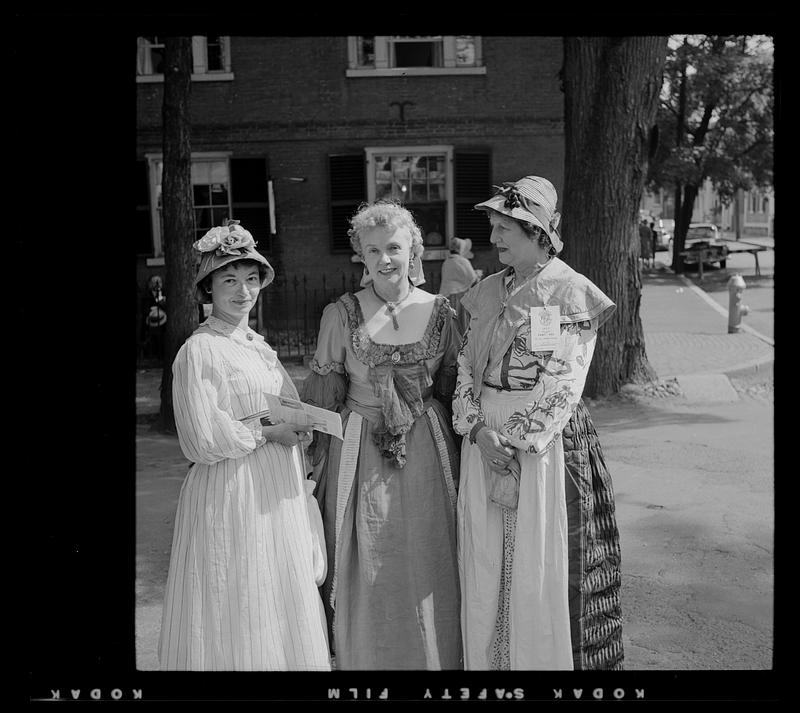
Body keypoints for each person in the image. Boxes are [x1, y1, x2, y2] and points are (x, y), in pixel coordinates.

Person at [453, 176, 624, 670]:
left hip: (539, 442)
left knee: (535, 558)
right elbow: (465, 364)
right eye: (494, 226)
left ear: (538, 230)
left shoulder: (569, 292)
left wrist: (512, 444)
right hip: (484, 432)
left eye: (506, 227)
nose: (494, 237)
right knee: (485, 555)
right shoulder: (486, 291)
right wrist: (477, 430)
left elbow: (565, 380)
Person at [158, 219, 331, 671]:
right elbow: (201, 438)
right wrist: (268, 432)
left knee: (274, 593)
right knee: (237, 592)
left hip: (274, 487)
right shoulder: (200, 351)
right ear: (207, 290)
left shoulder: (257, 345)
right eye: (229, 280)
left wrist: (299, 426)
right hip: (233, 490)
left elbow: (274, 406)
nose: (242, 291)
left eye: (250, 279)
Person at [301, 200, 463, 670]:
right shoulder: (342, 315)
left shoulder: (442, 312)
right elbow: (325, 396)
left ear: (414, 250)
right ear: (362, 256)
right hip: (359, 450)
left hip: (428, 451)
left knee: (428, 554)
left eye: (394, 247)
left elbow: (454, 390)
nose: (385, 259)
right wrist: (312, 461)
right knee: (369, 559)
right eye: (373, 250)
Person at [438, 237, 482, 330]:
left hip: (447, 295)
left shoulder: (447, 261)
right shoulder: (463, 261)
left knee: (451, 323)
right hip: (459, 296)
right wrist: (478, 274)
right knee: (461, 322)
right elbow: (472, 279)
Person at [141, 274, 167, 363]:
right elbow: (144, 309)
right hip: (151, 321)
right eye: (154, 282)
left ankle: (162, 355)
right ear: (150, 284)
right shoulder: (146, 294)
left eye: (159, 282)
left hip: (164, 321)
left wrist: (161, 302)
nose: (157, 284)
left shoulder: (165, 293)